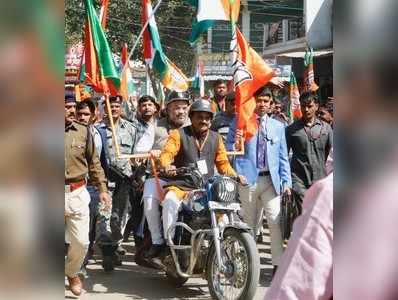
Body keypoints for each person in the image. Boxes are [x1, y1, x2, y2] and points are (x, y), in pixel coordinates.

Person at [144, 99, 246, 258]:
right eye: (199, 117)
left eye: (207, 117)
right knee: (169, 201)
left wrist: (235, 175)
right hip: (181, 186)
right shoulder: (178, 134)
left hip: (207, 188)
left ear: (211, 120)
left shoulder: (216, 137)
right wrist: (167, 165)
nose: (203, 121)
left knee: (224, 216)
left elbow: (223, 164)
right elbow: (166, 154)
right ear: (191, 118)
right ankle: (169, 246)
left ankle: (224, 252)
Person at [225, 86, 292, 276]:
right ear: (253, 101)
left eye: (266, 101)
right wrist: (236, 142)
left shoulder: (278, 126)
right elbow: (227, 152)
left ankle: (278, 266)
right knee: (249, 224)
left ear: (271, 104)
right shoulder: (240, 122)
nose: (262, 104)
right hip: (248, 180)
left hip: (271, 181)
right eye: (259, 100)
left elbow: (282, 157)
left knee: (275, 220)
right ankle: (247, 266)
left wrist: (286, 183)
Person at [65, 93, 111, 296]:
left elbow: (94, 163)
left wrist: (102, 189)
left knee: (82, 242)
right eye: (66, 107)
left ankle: (71, 271)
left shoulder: (83, 132)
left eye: (72, 107)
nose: (72, 111)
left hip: (77, 193)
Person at [266, 172, 333, 300]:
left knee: (275, 224)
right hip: (299, 181)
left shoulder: (330, 195)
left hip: (315, 181)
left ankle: (277, 264)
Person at [100, 95, 140, 272]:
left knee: (119, 217)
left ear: (121, 108)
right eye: (111, 105)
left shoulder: (131, 129)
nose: (114, 108)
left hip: (124, 180)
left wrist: (137, 175)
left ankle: (115, 246)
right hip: (105, 179)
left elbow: (136, 155)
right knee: (104, 216)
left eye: (117, 106)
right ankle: (107, 251)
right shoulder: (97, 130)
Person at [285, 92, 333, 206]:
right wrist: (286, 182)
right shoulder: (291, 130)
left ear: (316, 106)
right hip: (299, 180)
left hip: (321, 179)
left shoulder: (326, 128)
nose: (306, 110)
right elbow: (284, 157)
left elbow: (334, 154)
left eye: (309, 106)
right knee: (305, 211)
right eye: (303, 106)